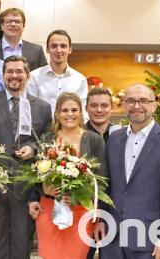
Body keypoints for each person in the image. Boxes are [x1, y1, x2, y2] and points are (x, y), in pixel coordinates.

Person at [95, 84, 160, 259]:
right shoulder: (114, 138)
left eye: (143, 101)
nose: (136, 106)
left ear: (154, 106)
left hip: (149, 238)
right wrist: (101, 220)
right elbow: (108, 185)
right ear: (124, 105)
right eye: (131, 101)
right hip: (112, 237)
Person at [0, 55, 51, 259]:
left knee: (22, 244)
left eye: (19, 71)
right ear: (3, 75)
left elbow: (48, 138)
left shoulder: (42, 107)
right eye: (9, 71)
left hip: (26, 188)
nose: (14, 76)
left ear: (28, 75)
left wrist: (33, 148)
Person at [26, 93, 107, 259]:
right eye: (64, 110)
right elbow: (35, 175)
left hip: (81, 212)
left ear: (81, 112)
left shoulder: (94, 140)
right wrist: (44, 189)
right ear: (57, 114)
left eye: (74, 110)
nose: (70, 114)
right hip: (49, 210)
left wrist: (78, 196)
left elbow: (102, 180)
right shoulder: (47, 139)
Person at [27, 29, 88, 113]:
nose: (59, 50)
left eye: (63, 46)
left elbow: (83, 112)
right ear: (47, 49)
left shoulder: (80, 80)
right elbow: (31, 110)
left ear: (70, 49)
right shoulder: (33, 77)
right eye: (54, 46)